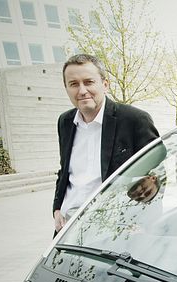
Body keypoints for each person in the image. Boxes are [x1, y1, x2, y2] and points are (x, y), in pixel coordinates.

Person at [53, 53, 159, 235]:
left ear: (105, 84)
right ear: (66, 88)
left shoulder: (135, 120)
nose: (82, 90)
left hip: (116, 230)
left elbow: (158, 176)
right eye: (73, 84)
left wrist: (145, 224)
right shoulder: (64, 122)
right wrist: (56, 208)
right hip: (68, 228)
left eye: (88, 82)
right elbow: (65, 171)